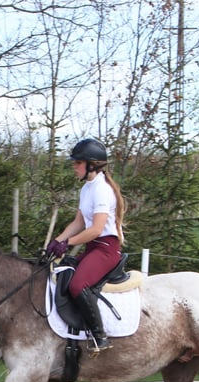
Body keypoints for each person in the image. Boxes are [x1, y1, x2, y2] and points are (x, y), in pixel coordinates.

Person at [46, 138, 126, 354]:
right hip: (93, 248)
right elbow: (79, 222)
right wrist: (57, 241)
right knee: (65, 272)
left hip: (106, 249)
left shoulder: (102, 190)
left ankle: (100, 336)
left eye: (77, 163)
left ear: (92, 165)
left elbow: (96, 229)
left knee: (77, 285)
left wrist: (68, 243)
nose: (74, 167)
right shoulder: (87, 189)